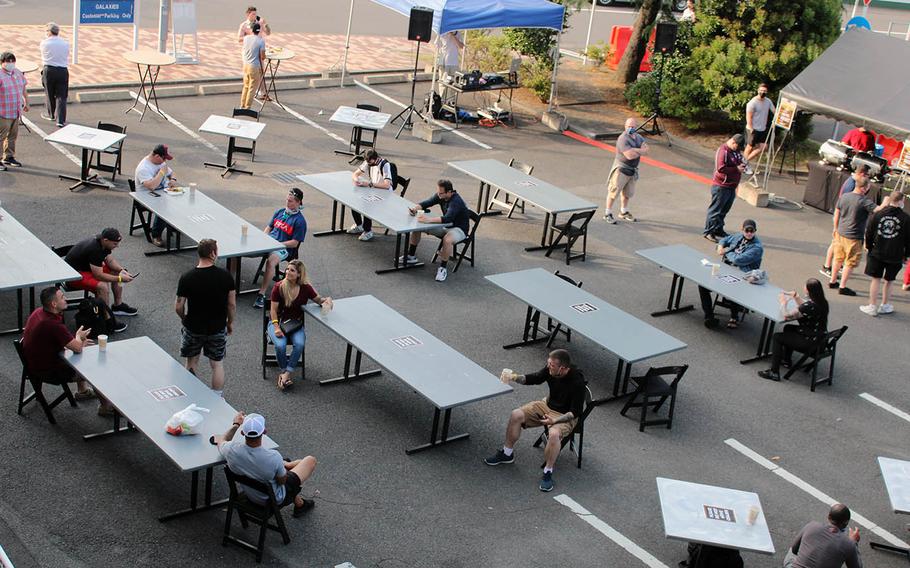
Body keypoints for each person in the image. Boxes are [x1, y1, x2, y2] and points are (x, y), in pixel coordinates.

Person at [485, 349, 586, 492]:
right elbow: (535, 378)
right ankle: (507, 453)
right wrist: (513, 377)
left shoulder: (577, 382)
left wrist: (554, 421)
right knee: (516, 414)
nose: (548, 366)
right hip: (547, 406)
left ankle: (548, 472)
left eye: (551, 365)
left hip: (565, 416)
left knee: (554, 434)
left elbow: (575, 412)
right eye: (548, 363)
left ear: (562, 368)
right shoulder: (551, 369)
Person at [21, 286, 113, 415]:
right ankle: (105, 408)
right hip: (49, 370)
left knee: (84, 349)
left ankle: (82, 391)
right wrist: (79, 338)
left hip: (35, 362)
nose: (66, 299)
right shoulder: (52, 324)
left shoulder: (38, 312)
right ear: (54, 304)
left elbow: (64, 342)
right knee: (95, 367)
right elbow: (77, 348)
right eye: (62, 297)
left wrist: (77, 342)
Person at [216, 412, 316, 518]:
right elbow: (282, 481)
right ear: (264, 431)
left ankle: (300, 504)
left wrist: (236, 424)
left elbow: (221, 440)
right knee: (310, 460)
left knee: (282, 466)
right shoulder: (273, 457)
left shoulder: (231, 450)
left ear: (242, 433)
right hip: (273, 499)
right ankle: (287, 465)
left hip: (251, 495)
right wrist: (285, 466)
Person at [175, 239, 236, 396]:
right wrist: (230, 322)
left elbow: (179, 305)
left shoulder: (187, 277)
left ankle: (189, 393)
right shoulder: (225, 276)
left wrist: (184, 318)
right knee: (217, 364)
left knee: (191, 361)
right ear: (213, 253)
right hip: (217, 326)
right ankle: (217, 396)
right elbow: (231, 305)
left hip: (193, 326)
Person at [267, 260, 332, 390]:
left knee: (300, 344)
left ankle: (285, 374)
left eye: (292, 270)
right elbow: (273, 310)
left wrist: (327, 300)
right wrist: (276, 327)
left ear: (299, 274)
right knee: (280, 345)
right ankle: (284, 371)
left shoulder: (305, 287)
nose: (287, 272)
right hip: (278, 323)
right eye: (287, 269)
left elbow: (318, 300)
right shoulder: (279, 287)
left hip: (295, 324)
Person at [758, 278, 829, 382]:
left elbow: (786, 315)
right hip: (820, 339)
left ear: (809, 291)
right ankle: (786, 360)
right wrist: (796, 297)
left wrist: (783, 303)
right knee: (788, 328)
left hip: (810, 342)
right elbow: (804, 308)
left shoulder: (809, 306)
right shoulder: (823, 303)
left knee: (777, 337)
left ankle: (774, 372)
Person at [63, 228, 136, 329]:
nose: (117, 246)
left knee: (116, 272)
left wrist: (121, 270)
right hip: (74, 275)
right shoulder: (95, 250)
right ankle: (107, 319)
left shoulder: (103, 242)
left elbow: (110, 261)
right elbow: (99, 275)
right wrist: (120, 279)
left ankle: (117, 306)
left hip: (87, 268)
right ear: (106, 240)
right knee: (102, 286)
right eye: (115, 244)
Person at [699, 219, 763, 329]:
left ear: (755, 231)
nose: (749, 233)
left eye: (752, 231)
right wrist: (720, 247)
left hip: (742, 274)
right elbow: (723, 240)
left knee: (732, 289)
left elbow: (738, 260)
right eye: (747, 230)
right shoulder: (738, 236)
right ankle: (709, 316)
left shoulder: (757, 248)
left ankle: (734, 316)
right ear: (742, 230)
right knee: (703, 286)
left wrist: (727, 251)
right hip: (726, 269)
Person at [251, 188, 307, 308]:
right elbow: (269, 227)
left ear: (298, 203)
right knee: (240, 252)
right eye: (287, 200)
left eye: (291, 201)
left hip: (283, 248)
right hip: (269, 242)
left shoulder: (300, 221)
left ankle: (261, 294)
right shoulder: (280, 212)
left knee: (271, 262)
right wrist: (263, 237)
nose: (287, 203)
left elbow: (294, 243)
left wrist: (278, 244)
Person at [405, 179, 470, 282]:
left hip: (459, 229)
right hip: (445, 226)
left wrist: (428, 220)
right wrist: (415, 209)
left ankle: (443, 268)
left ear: (449, 192)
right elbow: (427, 203)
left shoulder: (456, 201)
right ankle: (411, 256)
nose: (438, 195)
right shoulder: (441, 195)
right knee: (419, 226)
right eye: (438, 192)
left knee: (447, 240)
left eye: (441, 193)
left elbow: (448, 218)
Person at [828, 177, 881, 296]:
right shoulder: (864, 201)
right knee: (850, 262)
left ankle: (832, 281)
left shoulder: (845, 196)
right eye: (868, 187)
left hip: (840, 233)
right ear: (864, 188)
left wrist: (835, 228)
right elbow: (878, 210)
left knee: (838, 258)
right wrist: (887, 202)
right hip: (854, 237)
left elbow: (836, 213)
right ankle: (842, 286)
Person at [860, 191, 910, 316]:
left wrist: (869, 247)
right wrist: (906, 255)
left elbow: (869, 232)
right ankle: (885, 304)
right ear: (900, 201)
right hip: (895, 254)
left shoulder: (878, 215)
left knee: (876, 279)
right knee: (889, 280)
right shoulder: (906, 218)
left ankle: (872, 305)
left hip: (877, 251)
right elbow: (909, 239)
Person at [820, 167, 871, 279]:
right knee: (835, 244)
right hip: (844, 220)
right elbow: (847, 203)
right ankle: (827, 266)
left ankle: (836, 266)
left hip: (843, 220)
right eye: (867, 176)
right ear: (862, 174)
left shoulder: (851, 181)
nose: (868, 179)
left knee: (838, 245)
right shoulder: (851, 185)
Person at [782, 503, 862, 568]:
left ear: (828, 517)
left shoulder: (811, 526)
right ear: (846, 523)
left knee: (791, 554)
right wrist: (854, 542)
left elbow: (794, 550)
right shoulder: (848, 544)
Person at [604, 117, 648, 224]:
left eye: (633, 127)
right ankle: (607, 213)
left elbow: (646, 150)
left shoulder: (638, 137)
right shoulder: (622, 139)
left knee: (627, 193)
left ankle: (623, 211)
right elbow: (629, 156)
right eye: (629, 126)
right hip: (621, 169)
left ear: (636, 127)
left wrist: (634, 149)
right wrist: (639, 151)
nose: (631, 128)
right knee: (613, 192)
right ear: (625, 126)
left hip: (632, 170)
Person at [703, 134, 746, 242]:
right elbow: (720, 168)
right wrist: (736, 169)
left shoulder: (735, 151)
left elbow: (739, 160)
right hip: (721, 186)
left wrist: (743, 166)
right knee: (715, 210)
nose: (739, 150)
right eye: (738, 147)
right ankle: (709, 231)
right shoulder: (723, 151)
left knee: (724, 210)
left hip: (731, 186)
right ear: (733, 142)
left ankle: (718, 229)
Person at [134, 144, 178, 247]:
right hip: (146, 195)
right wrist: (161, 173)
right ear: (157, 156)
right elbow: (151, 186)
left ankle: (173, 225)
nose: (164, 162)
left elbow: (172, 173)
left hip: (162, 191)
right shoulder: (143, 168)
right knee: (163, 205)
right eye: (163, 159)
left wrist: (173, 179)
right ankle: (156, 235)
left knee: (180, 200)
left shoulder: (160, 163)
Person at [348, 149, 394, 242]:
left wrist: (369, 184)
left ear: (375, 158)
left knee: (367, 205)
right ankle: (359, 225)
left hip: (384, 194)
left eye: (370, 161)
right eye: (367, 161)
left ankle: (368, 231)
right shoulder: (368, 162)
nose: (368, 164)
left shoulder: (385, 165)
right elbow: (356, 173)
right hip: (373, 191)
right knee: (354, 201)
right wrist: (356, 179)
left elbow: (387, 185)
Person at [0, 51, 28, 170]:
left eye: (12, 61)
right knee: (1, 136)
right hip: (3, 112)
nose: (11, 63)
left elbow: (23, 88)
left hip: (15, 111)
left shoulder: (17, 73)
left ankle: (9, 156)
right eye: (8, 61)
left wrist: (26, 101)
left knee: (12, 136)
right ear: (2, 63)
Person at [39, 23, 69, 127]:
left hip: (49, 70)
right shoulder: (65, 43)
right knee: (62, 96)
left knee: (49, 93)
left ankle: (51, 114)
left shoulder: (44, 43)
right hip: (63, 70)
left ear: (49, 32)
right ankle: (61, 120)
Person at [743, 83, 775, 168]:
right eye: (761, 90)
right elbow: (748, 116)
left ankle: (744, 162)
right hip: (753, 129)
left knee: (764, 147)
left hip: (762, 129)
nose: (762, 92)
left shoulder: (768, 101)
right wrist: (750, 127)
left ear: (767, 92)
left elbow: (774, 111)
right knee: (749, 147)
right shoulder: (752, 102)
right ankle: (744, 165)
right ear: (758, 91)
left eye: (764, 91)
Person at [240, 21, 266, 110]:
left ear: (252, 30)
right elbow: (262, 57)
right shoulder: (261, 41)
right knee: (252, 87)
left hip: (246, 65)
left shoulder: (246, 38)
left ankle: (242, 105)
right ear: (259, 31)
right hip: (254, 66)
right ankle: (247, 107)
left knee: (246, 86)